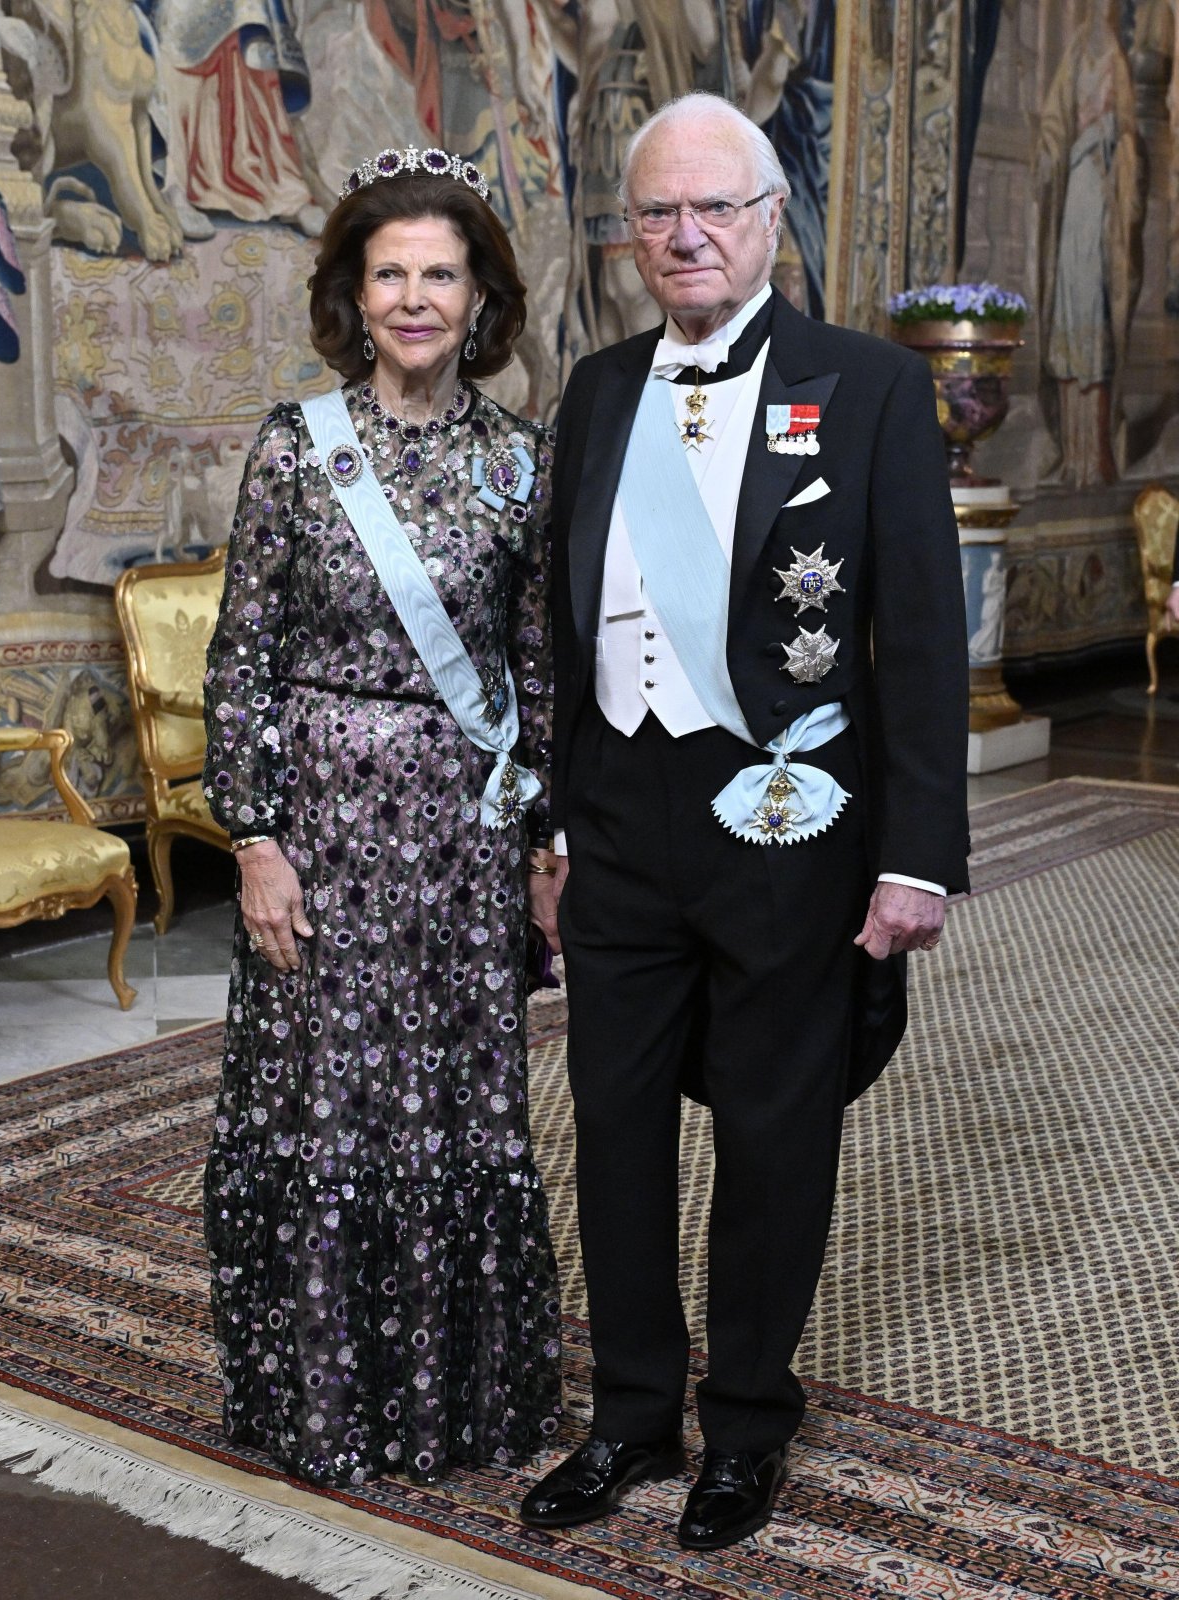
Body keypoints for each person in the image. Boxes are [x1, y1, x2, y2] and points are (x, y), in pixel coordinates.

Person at [521, 92, 969, 1550]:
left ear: (774, 218)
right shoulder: (596, 390)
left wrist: (915, 855)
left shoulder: (870, 386)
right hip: (618, 817)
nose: (687, 234)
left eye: (716, 206)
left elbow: (920, 633)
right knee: (614, 1123)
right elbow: (564, 628)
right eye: (659, 211)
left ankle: (748, 1427)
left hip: (788, 812)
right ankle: (631, 1416)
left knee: (776, 1128)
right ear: (631, 233)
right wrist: (555, 826)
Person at [201, 146, 562, 1488]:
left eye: (441, 276)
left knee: (459, 1104)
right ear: (355, 296)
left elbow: (537, 669)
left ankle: (457, 1402)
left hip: (463, 840)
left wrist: (543, 840)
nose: (416, 300)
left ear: (481, 299)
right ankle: (324, 1399)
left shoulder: (520, 462)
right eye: (391, 274)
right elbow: (242, 659)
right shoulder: (298, 450)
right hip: (325, 833)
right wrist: (256, 840)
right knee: (326, 1102)